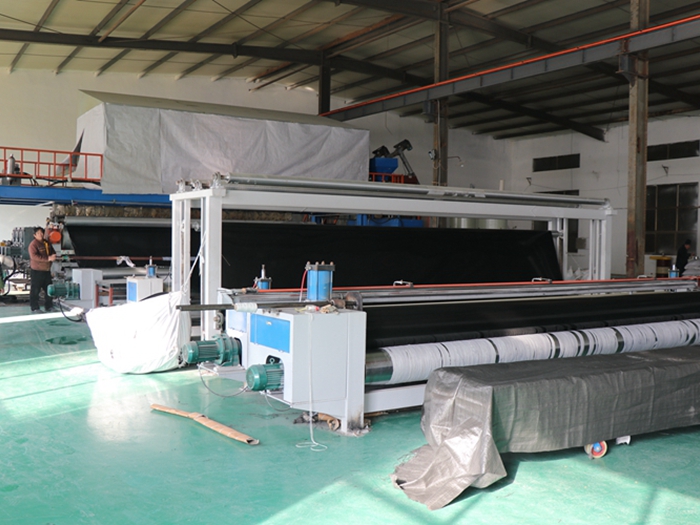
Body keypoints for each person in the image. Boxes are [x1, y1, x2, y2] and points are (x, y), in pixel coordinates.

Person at [28, 226, 57, 312]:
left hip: (46, 270)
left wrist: (54, 256)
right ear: (34, 235)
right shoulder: (33, 245)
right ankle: (35, 307)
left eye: (41, 233)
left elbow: (52, 251)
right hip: (37, 271)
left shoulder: (46, 243)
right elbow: (34, 257)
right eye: (38, 233)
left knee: (49, 289)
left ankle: (49, 306)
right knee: (35, 290)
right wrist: (48, 259)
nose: (40, 235)